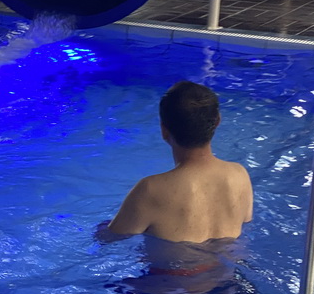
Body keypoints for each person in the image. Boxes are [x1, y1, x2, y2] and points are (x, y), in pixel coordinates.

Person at [106, 80, 253, 247]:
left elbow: (110, 239)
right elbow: (246, 223)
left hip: (168, 273)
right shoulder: (240, 174)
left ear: (164, 130)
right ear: (218, 121)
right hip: (231, 270)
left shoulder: (150, 189)